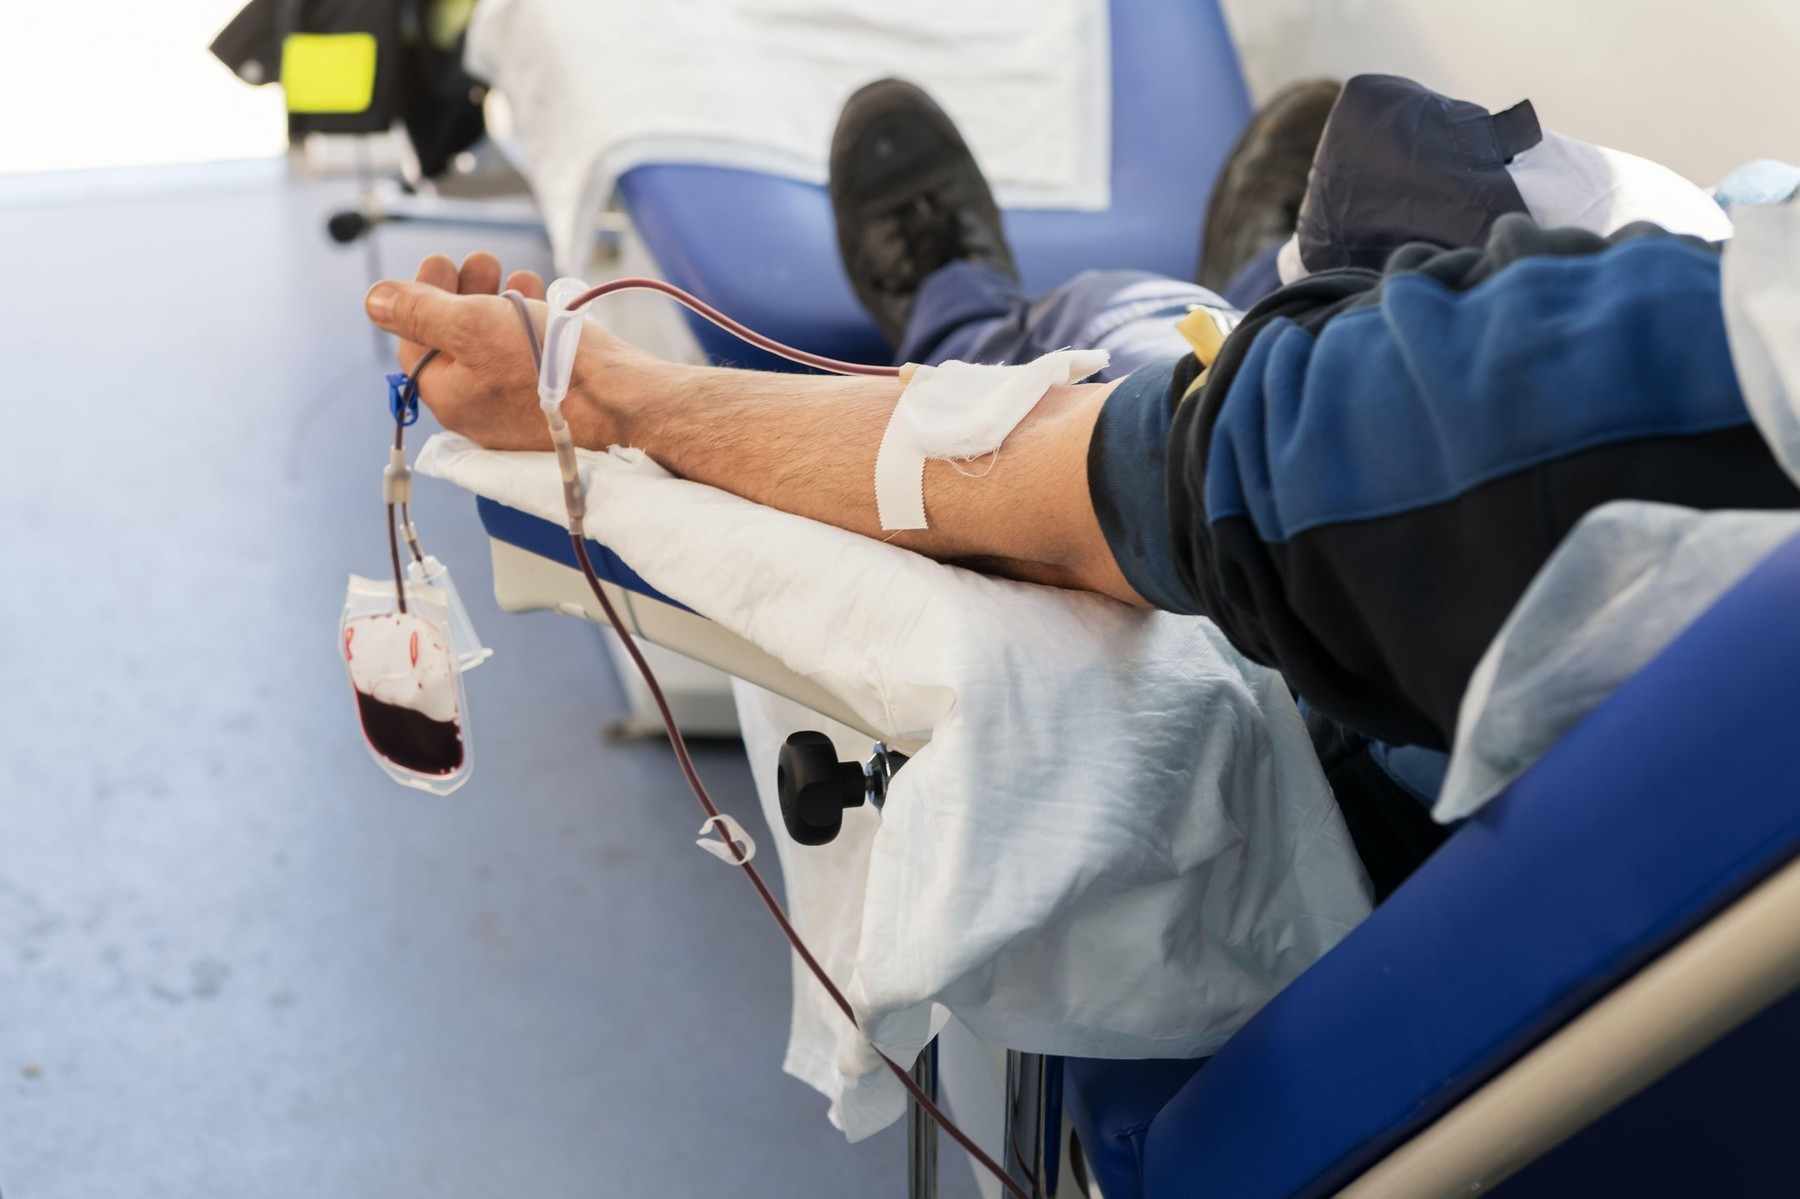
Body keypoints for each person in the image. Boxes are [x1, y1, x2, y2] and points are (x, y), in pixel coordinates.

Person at [362, 75, 1798, 887]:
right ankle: (1255, 284)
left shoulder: (1626, 400)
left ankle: (960, 306)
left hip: (1326, 700)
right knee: (1292, 291)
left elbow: (1050, 481)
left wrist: (605, 387)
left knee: (1107, 331)